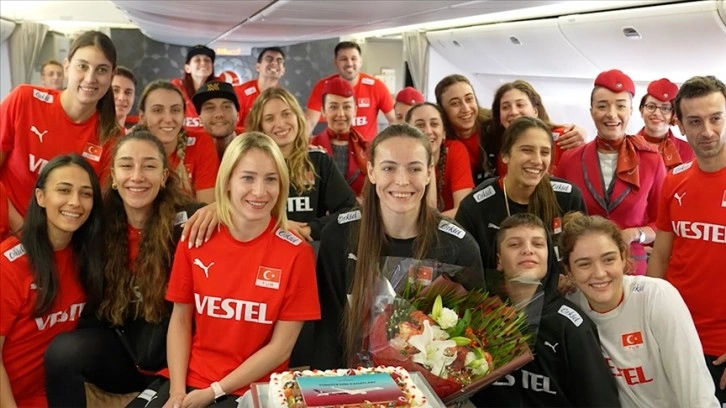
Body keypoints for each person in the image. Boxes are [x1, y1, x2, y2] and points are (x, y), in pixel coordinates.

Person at [129, 132, 320, 407]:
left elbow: (280, 349)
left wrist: (213, 391)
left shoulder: (296, 253)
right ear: (228, 181)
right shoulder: (196, 237)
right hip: (189, 378)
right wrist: (177, 393)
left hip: (250, 388)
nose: (259, 191)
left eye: (271, 179)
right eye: (248, 178)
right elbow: (180, 320)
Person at [44, 131, 203, 407]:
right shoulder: (96, 224)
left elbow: (238, 219)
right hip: (124, 354)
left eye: (149, 166)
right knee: (63, 352)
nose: (137, 176)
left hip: (180, 359)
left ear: (164, 176)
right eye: (127, 165)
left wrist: (217, 210)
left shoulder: (192, 221)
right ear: (114, 177)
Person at [313, 124, 485, 370]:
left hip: (429, 387)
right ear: (371, 172)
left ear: (428, 173)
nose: (402, 180)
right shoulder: (340, 234)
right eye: (389, 168)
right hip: (350, 382)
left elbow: (470, 342)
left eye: (414, 168)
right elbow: (327, 333)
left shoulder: (459, 246)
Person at [561, 212, 719, 408]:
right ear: (569, 270)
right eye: (584, 264)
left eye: (608, 259)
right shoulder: (569, 307)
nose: (599, 273)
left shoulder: (657, 297)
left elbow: (697, 394)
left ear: (623, 258)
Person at [471, 213, 619, 407]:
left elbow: (600, 401)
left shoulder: (570, 326)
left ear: (548, 257)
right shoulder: (478, 318)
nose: (528, 250)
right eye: (515, 244)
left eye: (538, 244)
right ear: (498, 260)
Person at [0, 154, 103, 408]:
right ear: (41, 197)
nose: (75, 202)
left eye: (86, 194)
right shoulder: (9, 264)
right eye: (64, 190)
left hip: (46, 396)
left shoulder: (87, 257)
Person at [647, 75, 726, 404]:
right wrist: (648, 323)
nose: (707, 131)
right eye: (694, 121)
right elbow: (661, 256)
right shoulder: (674, 180)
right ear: (679, 125)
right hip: (676, 334)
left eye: (716, 118)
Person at [0, 30, 119, 235]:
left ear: (112, 76)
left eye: (101, 70)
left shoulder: (112, 137)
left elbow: (92, 208)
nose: (90, 78)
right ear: (67, 67)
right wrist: (22, 230)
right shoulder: (24, 101)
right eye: (82, 66)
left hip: (60, 243)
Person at [555, 69, 666, 275]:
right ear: (591, 112)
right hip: (584, 266)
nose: (612, 114)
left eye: (620, 106)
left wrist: (634, 234)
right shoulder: (570, 159)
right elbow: (557, 216)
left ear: (631, 111)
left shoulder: (652, 161)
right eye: (602, 106)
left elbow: (662, 223)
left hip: (632, 265)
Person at [456, 116, 586, 277]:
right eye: (527, 150)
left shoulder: (569, 197)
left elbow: (584, 258)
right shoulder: (475, 207)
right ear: (505, 155)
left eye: (545, 152)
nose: (537, 161)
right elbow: (465, 275)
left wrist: (570, 279)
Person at [247, 87, 357, 241]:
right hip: (262, 247)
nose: (280, 124)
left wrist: (311, 229)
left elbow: (352, 212)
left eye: (286, 114)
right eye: (269, 119)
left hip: (309, 248)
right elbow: (237, 213)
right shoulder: (248, 165)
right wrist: (279, 226)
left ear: (298, 117)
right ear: (260, 127)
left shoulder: (318, 160)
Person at [136, 80, 219, 203]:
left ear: (184, 115)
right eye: (158, 110)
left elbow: (206, 207)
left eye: (175, 110)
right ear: (142, 117)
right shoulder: (127, 148)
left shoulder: (201, 142)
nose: (168, 119)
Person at [491, 80, 588, 174]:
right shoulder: (502, 151)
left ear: (535, 111)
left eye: (520, 105)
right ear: (499, 116)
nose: (513, 112)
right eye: (505, 107)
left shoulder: (565, 138)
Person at [305, 41, 395, 140]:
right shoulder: (323, 86)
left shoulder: (376, 86)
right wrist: (299, 145)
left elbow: (394, 120)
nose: (349, 63)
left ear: (360, 62)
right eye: (344, 59)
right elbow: (310, 123)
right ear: (335, 62)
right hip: (333, 146)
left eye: (353, 58)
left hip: (366, 148)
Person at [405, 102, 473, 217]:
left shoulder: (455, 150)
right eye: (420, 125)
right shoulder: (399, 159)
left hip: (448, 225)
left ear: (444, 133)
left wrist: (431, 222)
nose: (428, 131)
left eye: (434, 124)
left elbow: (464, 210)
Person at [310, 77, 369, 196]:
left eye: (347, 107)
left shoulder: (368, 149)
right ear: (323, 111)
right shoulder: (310, 147)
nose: (341, 114)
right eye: (333, 107)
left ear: (355, 110)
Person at [637, 78, 695, 169]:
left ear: (673, 114)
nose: (657, 113)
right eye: (651, 107)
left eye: (665, 108)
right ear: (641, 111)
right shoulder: (626, 146)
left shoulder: (689, 151)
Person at [233, 46, 285, 132]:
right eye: (269, 59)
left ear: (283, 71)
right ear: (258, 67)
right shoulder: (240, 92)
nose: (274, 63)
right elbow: (231, 128)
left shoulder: (284, 98)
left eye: (279, 61)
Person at [171, 45, 217, 139]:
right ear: (187, 68)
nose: (203, 63)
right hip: (182, 141)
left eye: (207, 60)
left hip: (210, 141)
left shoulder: (219, 87)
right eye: (197, 60)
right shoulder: (177, 88)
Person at [193, 80, 240, 160]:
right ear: (200, 119)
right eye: (210, 108)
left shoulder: (254, 143)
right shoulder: (189, 149)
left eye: (226, 107)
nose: (219, 114)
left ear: (238, 115)